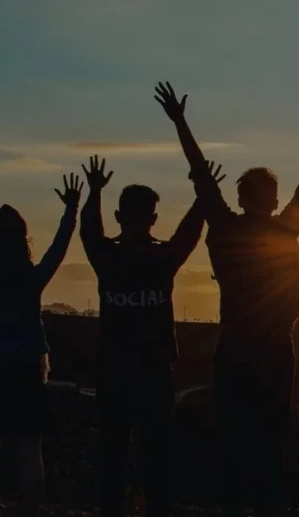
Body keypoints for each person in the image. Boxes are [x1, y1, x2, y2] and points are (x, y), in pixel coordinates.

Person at [154, 81, 299, 517]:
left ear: (240, 198)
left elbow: (200, 175)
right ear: (269, 199)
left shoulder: (227, 229)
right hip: (272, 349)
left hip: (235, 346)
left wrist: (180, 122)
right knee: (270, 441)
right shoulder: (284, 228)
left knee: (234, 439)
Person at [78, 155, 220, 517]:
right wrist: (202, 197)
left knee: (113, 455)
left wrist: (93, 191)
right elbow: (190, 232)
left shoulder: (106, 257)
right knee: (157, 457)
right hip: (155, 373)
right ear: (154, 218)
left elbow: (89, 230)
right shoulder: (163, 258)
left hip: (113, 370)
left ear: (119, 216)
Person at [0, 172, 82, 517]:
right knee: (30, 451)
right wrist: (71, 211)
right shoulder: (31, 278)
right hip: (27, 370)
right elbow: (57, 248)